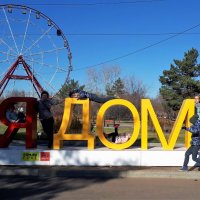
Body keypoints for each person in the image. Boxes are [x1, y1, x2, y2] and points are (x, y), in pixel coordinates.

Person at [180, 94, 200, 171]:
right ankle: (185, 167)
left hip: (197, 144)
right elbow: (192, 128)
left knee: (194, 158)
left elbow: (195, 131)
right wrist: (185, 127)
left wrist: (187, 128)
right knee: (187, 154)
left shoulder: (198, 124)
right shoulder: (194, 124)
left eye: (197, 99)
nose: (195, 100)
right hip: (193, 143)